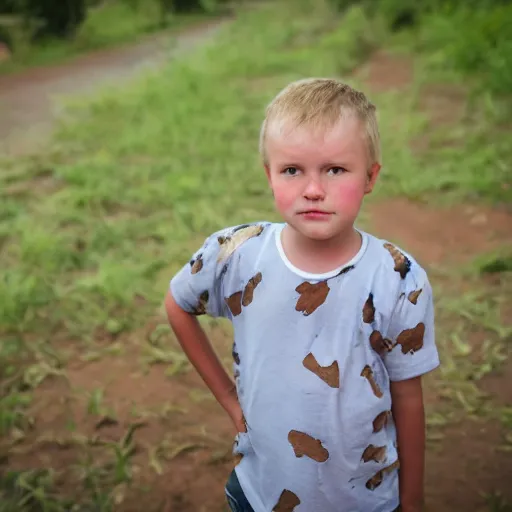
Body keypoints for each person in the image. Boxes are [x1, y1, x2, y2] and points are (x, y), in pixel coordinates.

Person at [164, 78, 440, 512]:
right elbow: (178, 304)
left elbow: (407, 394)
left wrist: (413, 499)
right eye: (292, 170)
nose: (313, 189)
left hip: (365, 499)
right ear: (269, 175)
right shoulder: (235, 255)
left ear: (370, 177)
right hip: (260, 491)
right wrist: (228, 399)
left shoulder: (397, 278)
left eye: (335, 169)